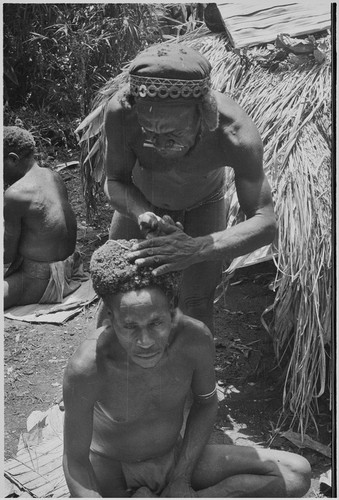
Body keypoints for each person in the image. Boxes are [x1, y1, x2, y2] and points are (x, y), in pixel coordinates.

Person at [62, 240, 311, 498]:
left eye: (156, 322)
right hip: (113, 473)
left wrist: (182, 479)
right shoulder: (87, 367)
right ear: (111, 318)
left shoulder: (195, 340)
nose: (145, 341)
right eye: (130, 327)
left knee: (296, 473)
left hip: (174, 457)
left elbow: (205, 403)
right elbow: (75, 461)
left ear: (171, 310)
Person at [100, 42, 277, 333]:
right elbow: (116, 181)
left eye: (173, 134)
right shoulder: (121, 112)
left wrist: (196, 249)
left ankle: (196, 378)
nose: (159, 144)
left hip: (203, 206)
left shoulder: (234, 133)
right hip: (141, 203)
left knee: (195, 304)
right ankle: (107, 373)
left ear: (205, 114)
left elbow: (265, 221)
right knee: (115, 296)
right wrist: (144, 215)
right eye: (149, 131)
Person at [4, 126, 83, 309]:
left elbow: (7, 254)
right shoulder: (53, 176)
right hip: (68, 267)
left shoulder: (16, 194)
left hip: (39, 280)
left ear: (13, 159)